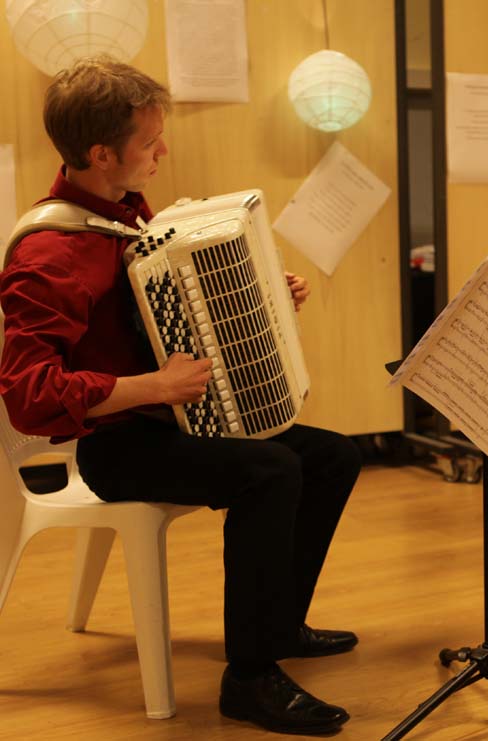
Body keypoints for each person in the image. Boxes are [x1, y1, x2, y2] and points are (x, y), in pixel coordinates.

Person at [0, 57, 361, 735]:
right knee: (270, 471)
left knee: (334, 456)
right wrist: (154, 386)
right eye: (149, 142)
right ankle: (248, 679)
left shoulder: (127, 214)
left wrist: (266, 295)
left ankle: (277, 624)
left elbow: (169, 315)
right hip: (117, 445)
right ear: (101, 154)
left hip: (175, 420)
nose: (162, 152)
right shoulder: (48, 255)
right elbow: (28, 394)